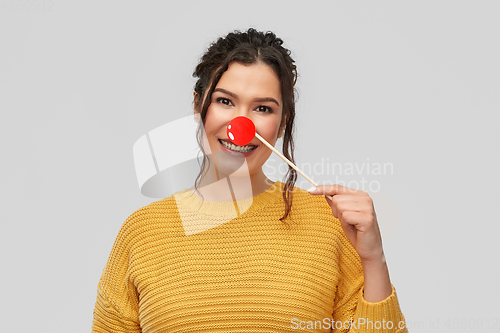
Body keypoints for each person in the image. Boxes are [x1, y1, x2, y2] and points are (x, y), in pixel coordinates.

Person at [92, 28, 408, 332]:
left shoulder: (331, 223)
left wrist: (374, 258)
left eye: (262, 108)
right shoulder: (142, 233)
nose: (240, 125)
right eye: (225, 101)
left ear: (282, 122)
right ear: (198, 104)